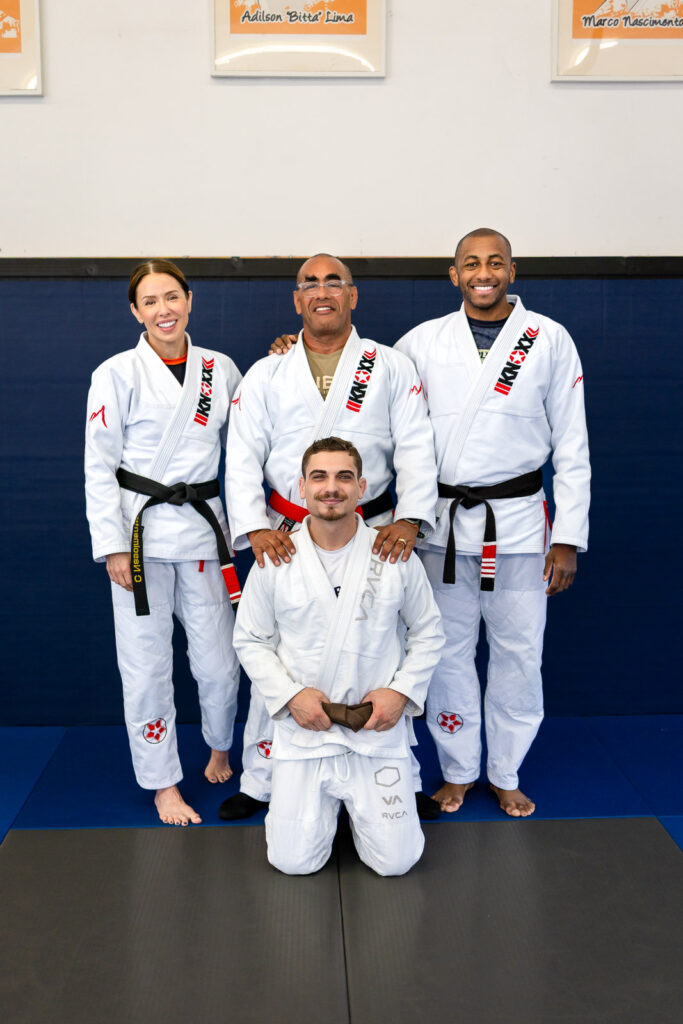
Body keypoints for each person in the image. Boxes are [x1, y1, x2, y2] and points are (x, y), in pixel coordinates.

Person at [220, 253, 439, 821]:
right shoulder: (268, 371)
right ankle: (260, 779)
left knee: (382, 645)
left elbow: (415, 444)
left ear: (353, 295)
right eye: (310, 284)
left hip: (371, 528)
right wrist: (252, 528)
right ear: (297, 300)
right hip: (286, 531)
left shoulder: (389, 365)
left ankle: (400, 772)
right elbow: (242, 453)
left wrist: (411, 518)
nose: (322, 292)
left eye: (333, 283)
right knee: (276, 649)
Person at [395, 228, 591, 817]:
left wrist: (568, 538)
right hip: (444, 528)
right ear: (453, 275)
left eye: (495, 262)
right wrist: (292, 347)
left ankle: (504, 770)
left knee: (519, 653)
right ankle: (457, 771)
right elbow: (370, 383)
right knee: (447, 652)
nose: (484, 272)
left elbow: (573, 445)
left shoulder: (549, 339)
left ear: (512, 270)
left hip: (521, 529)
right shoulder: (422, 342)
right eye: (471, 263)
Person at [232, 438, 444, 875]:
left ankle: (357, 814)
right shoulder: (275, 557)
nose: (332, 487)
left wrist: (401, 694)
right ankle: (332, 813)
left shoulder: (394, 554)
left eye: (344, 477)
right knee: (292, 862)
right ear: (302, 488)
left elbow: (428, 630)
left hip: (376, 728)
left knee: (396, 863)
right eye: (320, 477)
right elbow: (250, 639)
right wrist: (291, 697)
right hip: (306, 732)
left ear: (362, 486)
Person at [84, 259, 242, 825]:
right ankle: (163, 783)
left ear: (190, 300)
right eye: (150, 302)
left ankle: (221, 745)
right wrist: (113, 546)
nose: (163, 310)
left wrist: (282, 360)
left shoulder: (221, 370)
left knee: (220, 663)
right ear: (135, 312)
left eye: (171, 297)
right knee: (147, 666)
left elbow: (249, 443)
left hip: (203, 531)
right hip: (141, 535)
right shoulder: (116, 374)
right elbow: (98, 465)